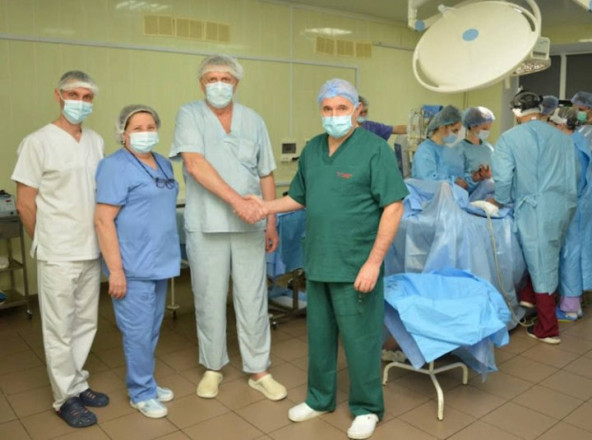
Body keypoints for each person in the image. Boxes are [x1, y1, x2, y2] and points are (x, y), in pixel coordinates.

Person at [249, 78, 408, 440]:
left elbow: (393, 207)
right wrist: (264, 207)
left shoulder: (374, 150)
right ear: (320, 110)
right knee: (319, 337)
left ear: (357, 110)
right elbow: (299, 197)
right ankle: (319, 399)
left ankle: (367, 408)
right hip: (320, 260)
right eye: (327, 108)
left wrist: (373, 262)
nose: (334, 115)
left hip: (356, 262)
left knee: (360, 339)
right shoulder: (313, 150)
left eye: (342, 108)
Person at [169, 54, 287, 401]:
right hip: (207, 223)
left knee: (253, 297)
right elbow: (195, 164)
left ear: (236, 83)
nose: (219, 85)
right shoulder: (189, 115)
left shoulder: (253, 120)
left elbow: (266, 173)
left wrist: (271, 221)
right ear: (201, 83)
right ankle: (212, 366)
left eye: (226, 79)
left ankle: (259, 369)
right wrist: (238, 202)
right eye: (211, 79)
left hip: (250, 225)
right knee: (208, 296)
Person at [11, 71, 109, 428]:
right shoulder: (37, 142)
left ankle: (78, 383)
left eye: (87, 97)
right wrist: (46, 241)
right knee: (59, 328)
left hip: (90, 248)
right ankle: (64, 397)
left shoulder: (96, 141)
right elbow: (25, 202)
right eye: (74, 95)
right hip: (57, 251)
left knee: (85, 322)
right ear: (59, 95)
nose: (80, 102)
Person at [94, 105, 180, 418]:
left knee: (151, 329)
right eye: (137, 128)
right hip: (132, 265)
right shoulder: (114, 166)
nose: (145, 133)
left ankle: (147, 382)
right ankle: (140, 393)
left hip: (160, 261)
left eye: (150, 127)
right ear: (123, 133)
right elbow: (103, 220)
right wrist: (116, 270)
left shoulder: (163, 163)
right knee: (137, 332)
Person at [489, 90, 577, 344]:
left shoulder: (510, 138)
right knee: (546, 257)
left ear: (517, 112)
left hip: (536, 209)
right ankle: (528, 296)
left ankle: (548, 329)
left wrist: (500, 200)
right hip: (563, 206)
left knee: (541, 263)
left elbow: (503, 178)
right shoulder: (562, 137)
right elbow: (573, 173)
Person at [549, 107, 592, 321]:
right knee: (576, 251)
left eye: (553, 125)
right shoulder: (579, 141)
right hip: (581, 206)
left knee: (570, 254)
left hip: (574, 207)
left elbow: (570, 182)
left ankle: (570, 307)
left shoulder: (571, 147)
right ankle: (574, 301)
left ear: (561, 125)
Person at [411, 105, 467, 189]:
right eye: (454, 130)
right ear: (442, 127)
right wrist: (454, 181)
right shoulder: (425, 151)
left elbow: (460, 176)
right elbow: (427, 180)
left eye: (458, 131)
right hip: (430, 197)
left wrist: (473, 178)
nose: (457, 134)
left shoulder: (449, 151)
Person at [457, 106, 495, 192]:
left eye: (489, 129)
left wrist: (489, 175)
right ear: (472, 126)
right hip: (471, 195)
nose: (487, 131)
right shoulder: (459, 149)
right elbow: (458, 182)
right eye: (484, 128)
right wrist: (475, 177)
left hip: (490, 193)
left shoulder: (488, 148)